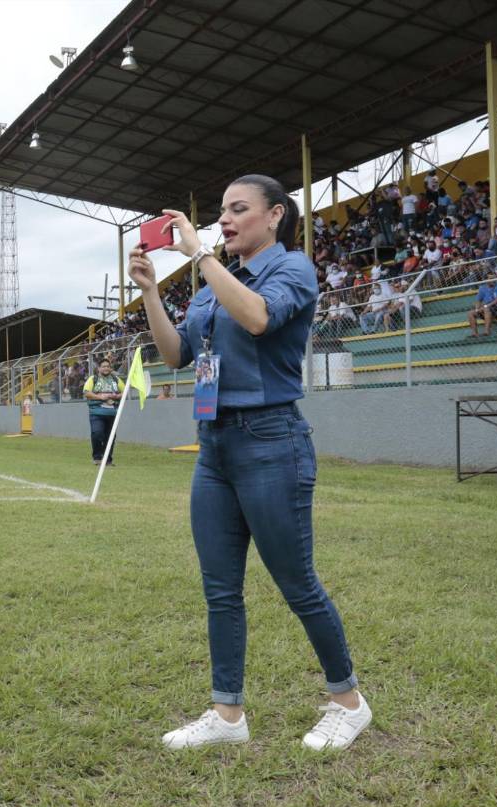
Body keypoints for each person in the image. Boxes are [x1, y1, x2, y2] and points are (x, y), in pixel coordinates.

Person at [127, 173, 369, 752]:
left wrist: (202, 255)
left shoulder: (292, 269)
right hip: (214, 446)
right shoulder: (215, 281)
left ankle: (348, 701)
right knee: (220, 588)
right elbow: (177, 354)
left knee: (296, 583)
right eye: (221, 211)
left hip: (271, 441)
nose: (225, 220)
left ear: (275, 215)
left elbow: (259, 319)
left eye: (239, 210)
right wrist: (152, 293)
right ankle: (227, 714)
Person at [82, 358, 121, 466]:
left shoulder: (116, 379)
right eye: (103, 366)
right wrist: (100, 397)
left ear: (110, 368)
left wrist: (117, 395)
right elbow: (86, 393)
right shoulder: (93, 379)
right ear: (99, 368)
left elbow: (125, 391)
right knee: (97, 433)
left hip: (112, 413)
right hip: (96, 412)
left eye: (108, 366)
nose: (106, 368)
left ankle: (108, 460)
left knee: (111, 436)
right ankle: (97, 457)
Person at [469, 273, 497, 337]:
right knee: (470, 313)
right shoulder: (482, 288)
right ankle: (475, 333)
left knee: (486, 309)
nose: (494, 280)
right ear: (486, 280)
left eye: (494, 278)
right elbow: (478, 300)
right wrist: (477, 309)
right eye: (491, 278)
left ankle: (487, 332)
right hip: (487, 308)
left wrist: (486, 306)